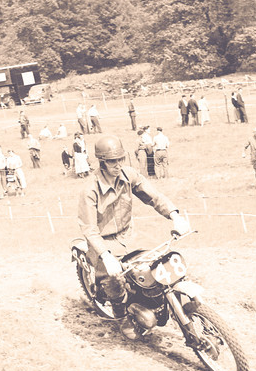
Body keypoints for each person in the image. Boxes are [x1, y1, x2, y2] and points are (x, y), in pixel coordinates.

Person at [77, 135, 190, 340]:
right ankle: (121, 316)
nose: (118, 164)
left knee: (156, 269)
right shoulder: (90, 190)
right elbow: (89, 229)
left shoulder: (129, 175)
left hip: (130, 236)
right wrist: (106, 255)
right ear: (102, 161)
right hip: (103, 243)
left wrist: (175, 216)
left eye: (120, 159)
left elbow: (154, 197)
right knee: (113, 280)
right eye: (112, 161)